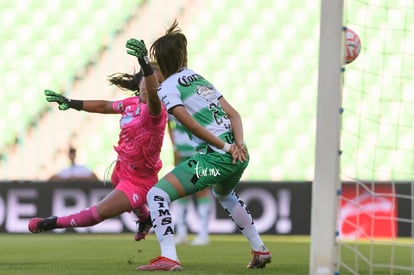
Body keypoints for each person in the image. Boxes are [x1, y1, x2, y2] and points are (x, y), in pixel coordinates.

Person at [125, 20, 272, 271]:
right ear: (182, 56)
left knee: (157, 194)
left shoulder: (169, 88)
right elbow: (235, 114)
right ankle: (259, 249)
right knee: (224, 194)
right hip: (239, 155)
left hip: (215, 160)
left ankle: (169, 257)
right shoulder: (198, 79)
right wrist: (239, 145)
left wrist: (226, 150)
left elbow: (192, 126)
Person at [28, 56, 167, 243]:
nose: (148, 85)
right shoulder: (130, 104)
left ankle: (53, 223)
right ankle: (145, 219)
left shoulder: (157, 112)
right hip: (122, 169)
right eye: (147, 79)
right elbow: (104, 106)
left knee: (97, 213)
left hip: (140, 180)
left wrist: (145, 65)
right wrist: (72, 103)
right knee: (115, 179)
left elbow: (152, 97)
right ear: (140, 80)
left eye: (158, 83)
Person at [168, 116, 212, 245]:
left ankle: (203, 233)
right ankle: (181, 232)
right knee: (181, 190)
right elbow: (168, 124)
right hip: (181, 151)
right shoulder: (172, 100)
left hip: (197, 151)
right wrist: (174, 147)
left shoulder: (193, 100)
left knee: (202, 189)